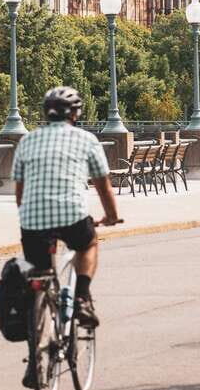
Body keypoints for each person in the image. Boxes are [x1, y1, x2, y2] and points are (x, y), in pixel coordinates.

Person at [12, 87, 122, 336]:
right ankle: (82, 297)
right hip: (72, 215)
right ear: (75, 113)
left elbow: (20, 193)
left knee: (40, 272)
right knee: (88, 243)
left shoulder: (27, 140)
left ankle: (36, 350)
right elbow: (103, 187)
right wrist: (111, 216)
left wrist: (29, 216)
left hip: (32, 221)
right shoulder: (86, 140)